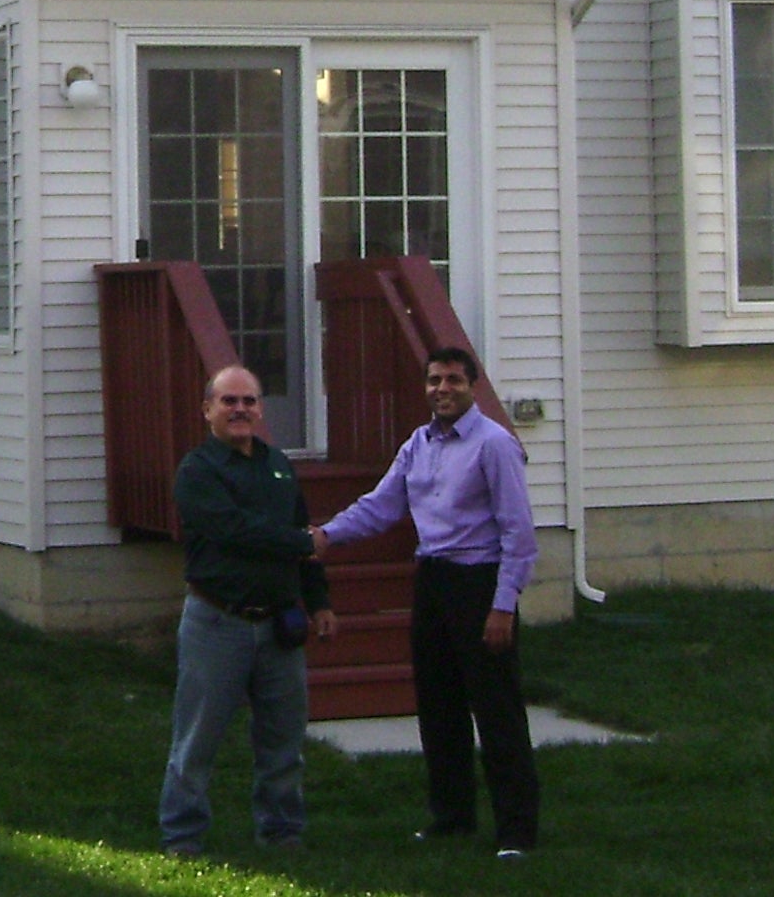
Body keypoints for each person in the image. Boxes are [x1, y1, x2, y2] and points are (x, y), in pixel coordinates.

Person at [312, 344, 542, 860]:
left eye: (454, 380)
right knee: (439, 709)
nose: (443, 389)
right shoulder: (418, 444)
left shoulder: (494, 445)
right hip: (433, 582)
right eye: (435, 380)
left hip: (479, 585)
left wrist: (503, 605)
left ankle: (517, 830)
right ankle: (452, 817)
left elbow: (519, 534)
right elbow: (381, 506)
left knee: (497, 710)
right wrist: (327, 536)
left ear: (472, 386)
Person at [159, 363, 333, 858]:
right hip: (218, 622)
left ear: (260, 409)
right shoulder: (198, 471)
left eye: (249, 401)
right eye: (229, 401)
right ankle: (182, 836)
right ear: (207, 410)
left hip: (278, 625)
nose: (240, 410)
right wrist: (300, 541)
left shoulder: (278, 465)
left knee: (283, 741)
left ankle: (282, 831)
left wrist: (318, 601)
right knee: (196, 740)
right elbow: (234, 530)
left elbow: (301, 542)